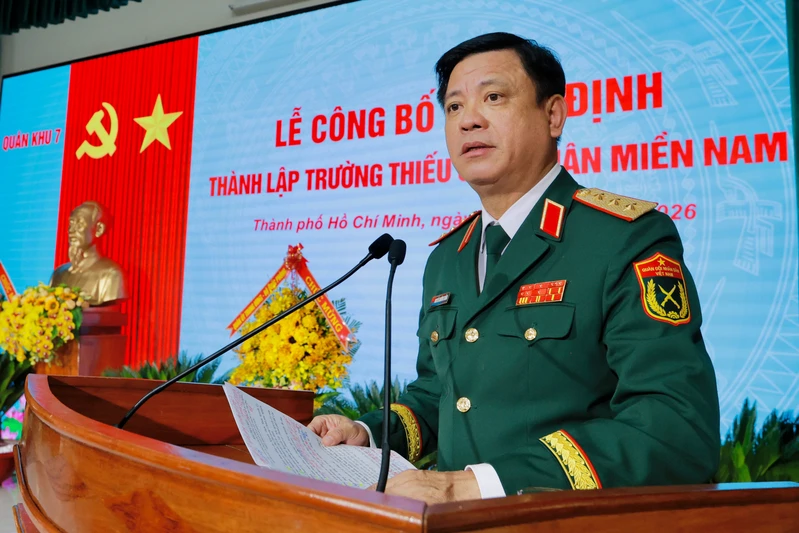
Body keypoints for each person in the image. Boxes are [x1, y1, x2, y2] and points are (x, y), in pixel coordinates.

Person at [309, 32, 720, 503]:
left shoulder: (623, 238)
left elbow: (676, 429)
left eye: (494, 97)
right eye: (454, 107)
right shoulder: (448, 256)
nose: (469, 120)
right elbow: (441, 393)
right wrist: (368, 434)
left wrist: (480, 484)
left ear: (554, 115)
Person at [51, 201, 127, 306]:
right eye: (71, 223)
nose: (71, 230)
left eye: (80, 224)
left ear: (99, 229)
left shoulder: (111, 275)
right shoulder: (59, 273)